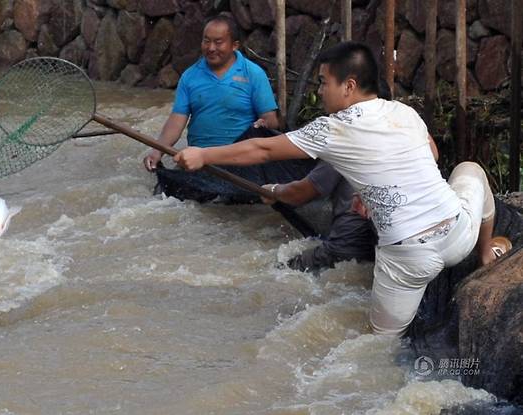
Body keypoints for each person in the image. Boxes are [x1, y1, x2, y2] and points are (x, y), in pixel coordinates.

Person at [174, 41, 509, 336]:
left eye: (323, 82)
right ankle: (484, 253)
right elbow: (432, 155)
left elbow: (263, 150)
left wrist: (204, 154)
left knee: (380, 345)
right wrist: (371, 189)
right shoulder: (404, 112)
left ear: (348, 86)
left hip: (408, 258)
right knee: (470, 170)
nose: (319, 91)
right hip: (456, 233)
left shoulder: (332, 129)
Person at [142, 14, 279, 172]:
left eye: (218, 42)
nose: (211, 48)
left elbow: (272, 120)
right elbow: (176, 121)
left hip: (241, 161)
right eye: (206, 41)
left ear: (234, 45)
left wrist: (263, 123)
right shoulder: (190, 76)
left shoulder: (253, 74)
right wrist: (157, 151)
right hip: (199, 160)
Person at [264, 160, 378, 272]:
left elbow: (298, 193)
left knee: (278, 271)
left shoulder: (344, 151)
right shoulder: (390, 152)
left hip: (347, 246)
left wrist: (273, 190)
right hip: (382, 248)